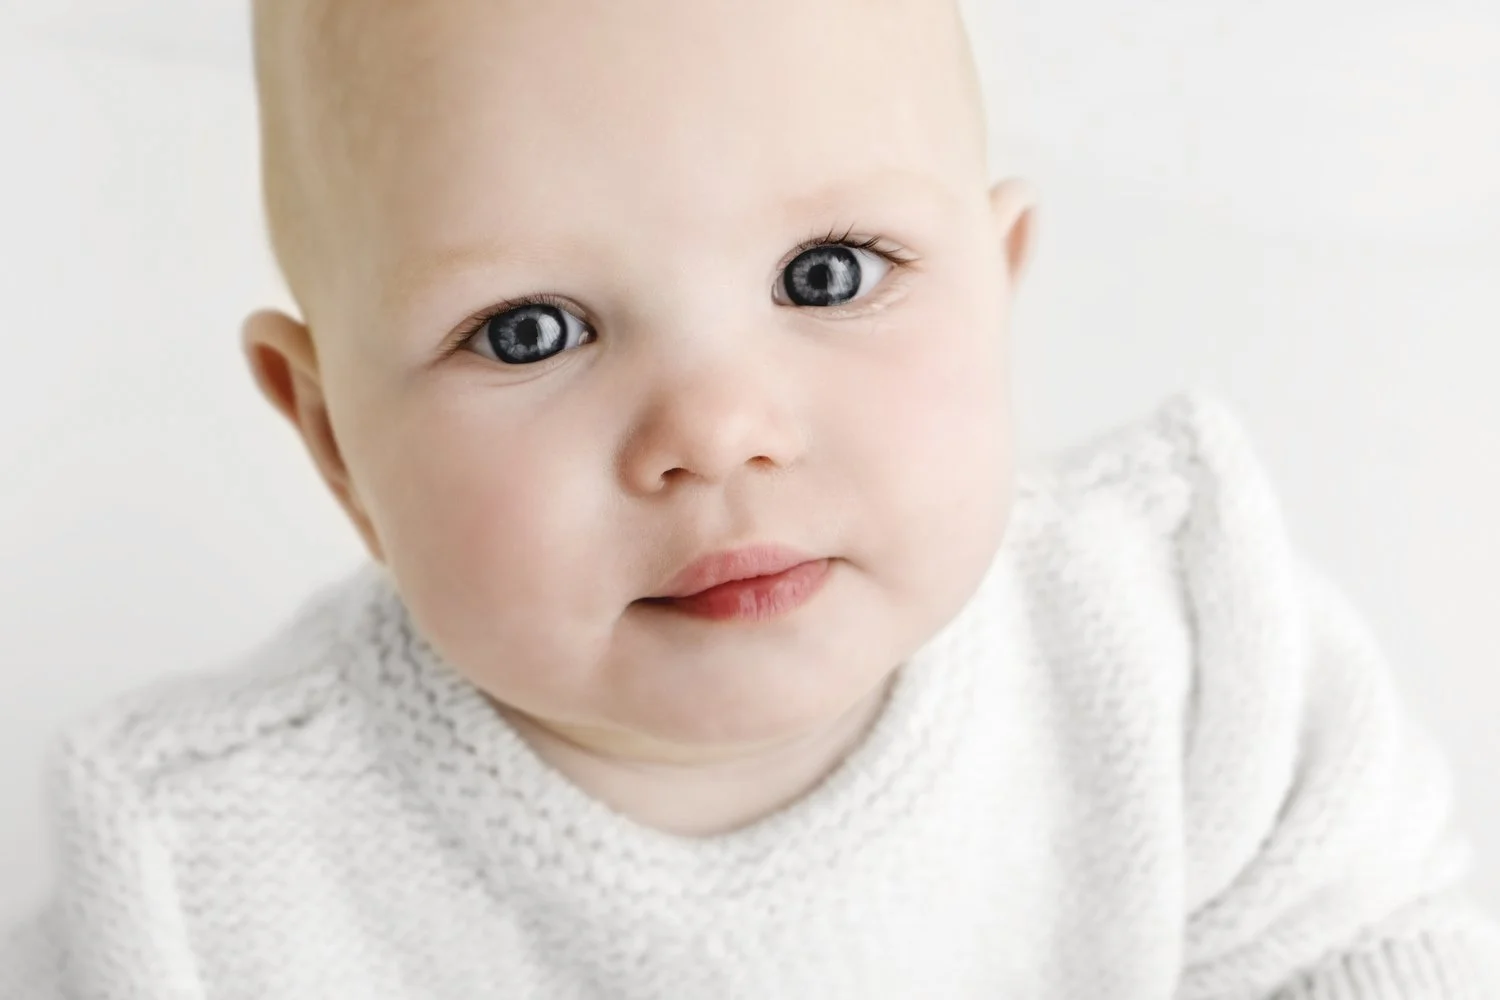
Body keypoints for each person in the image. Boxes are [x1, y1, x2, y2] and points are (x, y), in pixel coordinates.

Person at [5, 0, 1498, 996]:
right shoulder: (208, 877)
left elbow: (1379, 946)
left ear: (998, 288)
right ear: (334, 444)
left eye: (826, 275)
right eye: (532, 330)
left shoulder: (1170, 636)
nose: (716, 434)